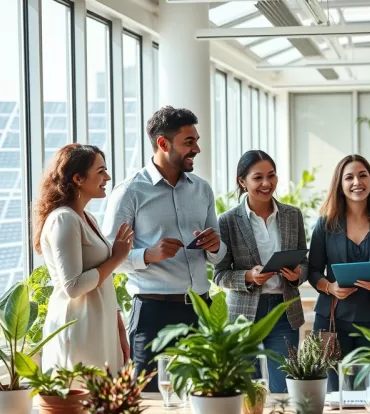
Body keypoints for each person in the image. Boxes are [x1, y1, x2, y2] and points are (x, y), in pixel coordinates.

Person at [102, 106, 227, 392]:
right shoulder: (130, 192)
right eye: (189, 142)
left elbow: (218, 254)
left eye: (196, 140)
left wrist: (216, 246)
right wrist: (148, 255)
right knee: (149, 397)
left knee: (206, 394)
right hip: (152, 314)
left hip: (200, 310)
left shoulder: (202, 189)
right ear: (163, 143)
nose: (196, 148)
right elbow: (109, 257)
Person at [34, 143, 133, 376]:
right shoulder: (64, 220)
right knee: (82, 404)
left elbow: (103, 279)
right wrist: (117, 258)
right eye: (100, 171)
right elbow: (73, 286)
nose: (107, 177)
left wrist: (119, 329)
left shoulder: (87, 218)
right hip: (79, 326)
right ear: (78, 178)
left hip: (99, 325)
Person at [214, 150, 307, 393]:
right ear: (242, 182)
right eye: (258, 178)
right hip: (243, 316)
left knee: (284, 386)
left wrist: (298, 275)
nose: (267, 184)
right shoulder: (228, 221)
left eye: (271, 176)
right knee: (246, 390)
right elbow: (220, 274)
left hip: (284, 311)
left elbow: (305, 264)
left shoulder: (292, 215)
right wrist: (248, 276)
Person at [308, 155, 370, 391]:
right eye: (349, 177)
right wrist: (330, 287)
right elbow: (313, 270)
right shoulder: (325, 225)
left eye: (362, 175)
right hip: (333, 319)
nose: (357, 182)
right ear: (340, 184)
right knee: (334, 392)